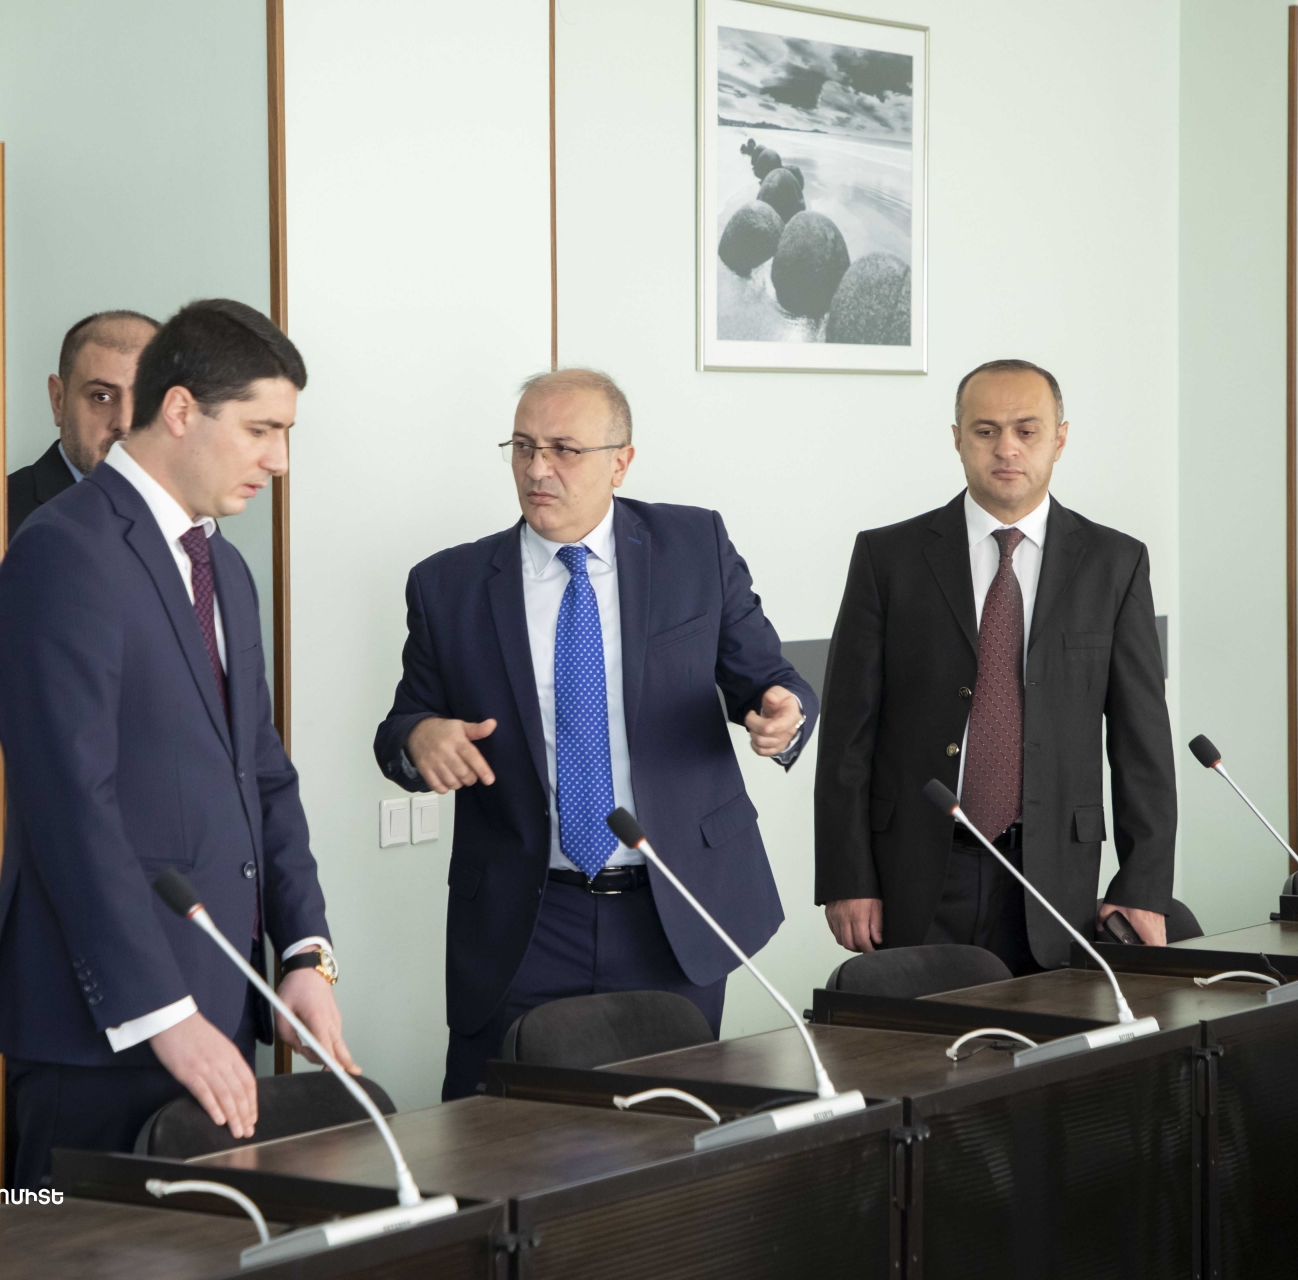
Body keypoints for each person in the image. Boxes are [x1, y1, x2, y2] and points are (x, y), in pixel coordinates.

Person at [0, 298, 354, 1188]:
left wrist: (304, 952)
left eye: (286, 433)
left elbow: (262, 774)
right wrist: (162, 1012)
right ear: (181, 410)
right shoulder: (63, 551)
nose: (280, 460)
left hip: (220, 1010)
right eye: (261, 430)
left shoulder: (226, 567)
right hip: (106, 1031)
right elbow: (71, 809)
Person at [374, 368, 818, 1100]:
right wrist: (419, 741)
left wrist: (785, 709)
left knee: (670, 1125)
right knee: (499, 1129)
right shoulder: (448, 585)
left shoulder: (693, 546)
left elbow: (767, 678)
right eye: (523, 447)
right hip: (525, 917)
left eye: (564, 449)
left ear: (621, 461)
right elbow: (402, 725)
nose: (536, 469)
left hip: (673, 907)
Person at [814, 358, 1175, 974]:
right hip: (918, 865)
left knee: (1051, 1032)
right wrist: (847, 877)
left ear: (1060, 438)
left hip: (1053, 870)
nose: (1006, 448)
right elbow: (848, 735)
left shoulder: (1114, 563)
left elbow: (1142, 741)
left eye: (1027, 430)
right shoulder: (888, 557)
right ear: (958, 438)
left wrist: (1143, 882)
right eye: (985, 431)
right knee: (920, 1032)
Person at [7, 309, 158, 539]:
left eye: (145, 397)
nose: (125, 424)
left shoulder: (189, 517)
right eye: (101, 397)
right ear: (58, 400)